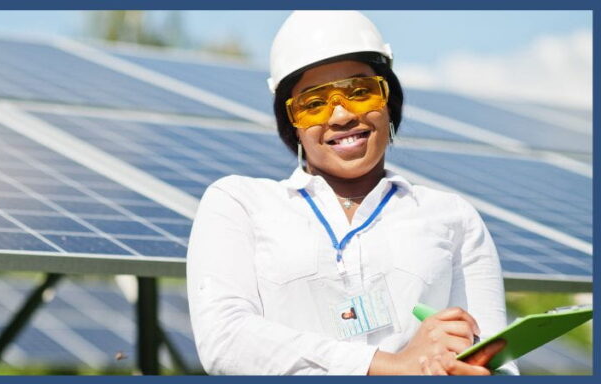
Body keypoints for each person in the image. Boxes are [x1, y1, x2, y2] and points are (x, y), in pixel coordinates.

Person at [186, 11, 517, 376]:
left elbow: (498, 362)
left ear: (388, 103)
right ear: (293, 125)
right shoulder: (239, 203)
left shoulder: (452, 216)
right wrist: (392, 365)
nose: (341, 115)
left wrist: (462, 366)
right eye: (314, 103)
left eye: (360, 93)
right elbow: (225, 340)